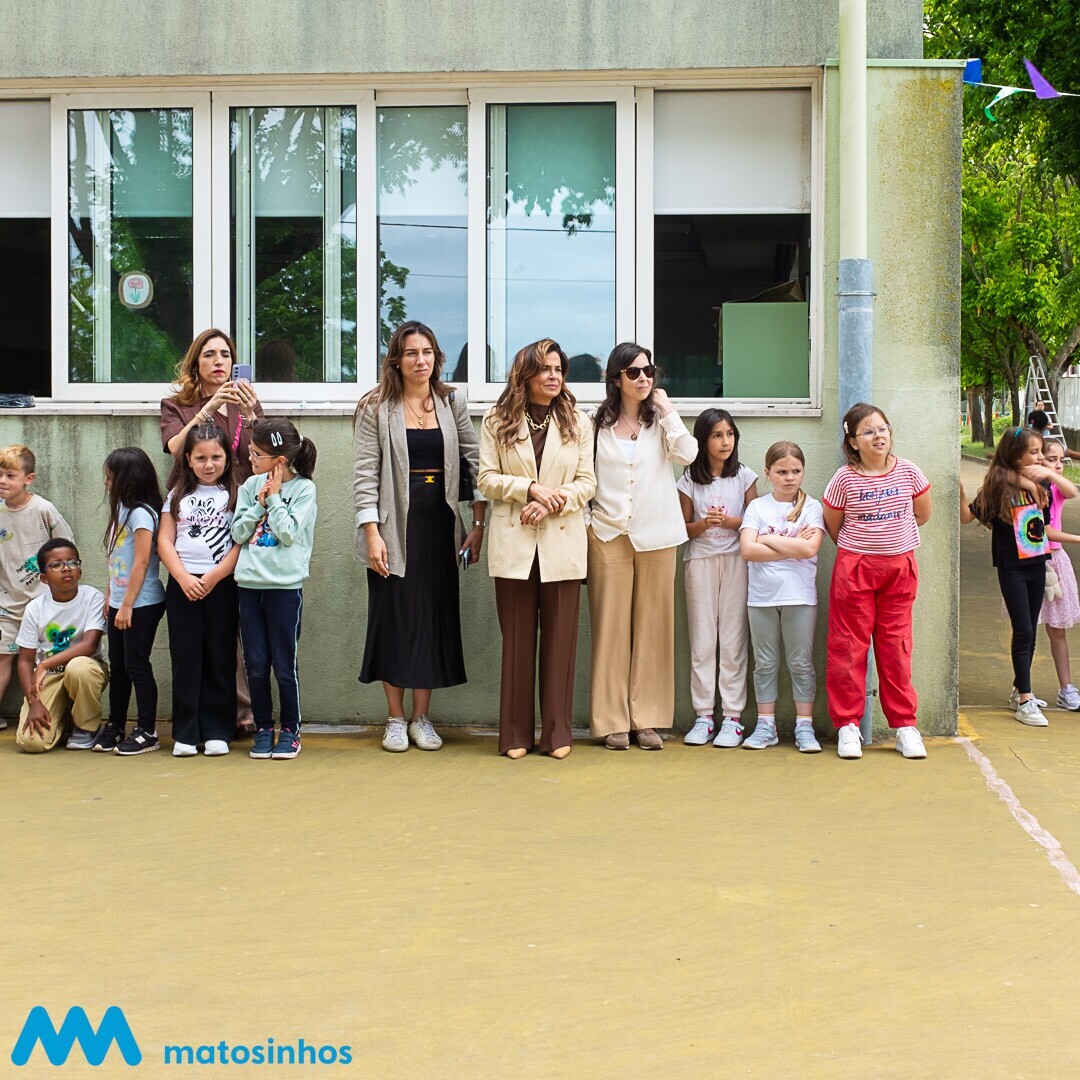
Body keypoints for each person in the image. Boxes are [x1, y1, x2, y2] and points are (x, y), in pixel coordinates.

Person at [354, 320, 485, 752]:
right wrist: (372, 533)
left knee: (431, 619)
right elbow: (365, 473)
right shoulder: (376, 406)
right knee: (393, 619)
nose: (420, 360)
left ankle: (420, 718)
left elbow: (474, 463)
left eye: (427, 352)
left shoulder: (451, 402)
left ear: (437, 357)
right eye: (411, 352)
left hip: (439, 528)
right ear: (397, 359)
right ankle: (394, 718)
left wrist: (477, 523)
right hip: (394, 528)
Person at [478, 339, 595, 759]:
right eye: (545, 368)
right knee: (517, 643)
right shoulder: (496, 420)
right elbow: (486, 478)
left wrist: (550, 501)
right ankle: (514, 735)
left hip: (562, 542)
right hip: (515, 543)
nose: (553, 376)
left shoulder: (578, 421)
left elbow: (587, 483)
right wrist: (528, 488)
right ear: (525, 374)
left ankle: (557, 734)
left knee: (561, 645)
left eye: (559, 369)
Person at [587, 342, 697, 750]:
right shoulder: (593, 424)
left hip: (658, 535)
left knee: (654, 628)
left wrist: (668, 410)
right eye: (633, 372)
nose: (643, 378)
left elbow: (689, 455)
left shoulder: (660, 422)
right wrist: (588, 522)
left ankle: (647, 719)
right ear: (615, 379)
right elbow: (583, 475)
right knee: (610, 630)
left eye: (648, 371)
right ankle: (612, 720)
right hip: (608, 534)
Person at [159, 327, 263, 737]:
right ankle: (201, 718)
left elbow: (266, 450)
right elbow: (174, 448)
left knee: (233, 621)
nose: (218, 361)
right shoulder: (177, 404)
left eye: (225, 355)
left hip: (240, 513)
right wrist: (210, 407)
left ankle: (241, 710)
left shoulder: (244, 402)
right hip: (193, 518)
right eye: (209, 354)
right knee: (193, 635)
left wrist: (251, 413)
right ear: (195, 363)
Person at [823, 402, 932, 760]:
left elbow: (922, 514)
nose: (878, 436)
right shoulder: (844, 479)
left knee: (896, 648)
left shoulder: (909, 472)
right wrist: (861, 549)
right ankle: (847, 725)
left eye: (882, 428)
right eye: (868, 431)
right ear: (853, 442)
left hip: (899, 569)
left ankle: (904, 726)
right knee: (848, 648)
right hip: (855, 569)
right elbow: (833, 524)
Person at [960, 427, 1075, 726]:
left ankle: (1019, 690)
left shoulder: (1038, 485)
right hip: (1012, 568)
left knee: (1030, 632)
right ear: (1015, 456)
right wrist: (959, 493)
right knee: (1023, 630)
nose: (1040, 457)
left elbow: (1068, 495)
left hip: (1037, 566)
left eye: (1040, 452)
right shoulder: (997, 487)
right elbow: (968, 516)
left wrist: (1045, 473)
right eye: (1033, 452)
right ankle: (1025, 698)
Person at [232, 418, 318, 761]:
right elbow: (238, 533)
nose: (250, 458)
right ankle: (264, 728)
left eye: (257, 454)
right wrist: (258, 503)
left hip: (284, 589)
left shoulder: (304, 490)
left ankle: (291, 729)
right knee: (255, 664)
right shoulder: (249, 486)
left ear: (279, 461)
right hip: (249, 587)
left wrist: (276, 498)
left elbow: (288, 534)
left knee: (284, 665)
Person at [158, 424, 241, 757]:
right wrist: (183, 578)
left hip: (221, 585)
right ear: (188, 460)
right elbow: (165, 541)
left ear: (227, 458)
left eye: (216, 457)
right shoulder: (176, 496)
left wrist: (216, 576)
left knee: (220, 655)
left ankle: (218, 730)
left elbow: (241, 542)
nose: (209, 465)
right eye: (201, 458)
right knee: (186, 656)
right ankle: (186, 732)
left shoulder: (236, 494)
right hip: (183, 586)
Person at [677, 408, 758, 748]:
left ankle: (733, 719)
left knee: (733, 639)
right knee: (702, 640)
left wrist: (729, 522)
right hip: (700, 563)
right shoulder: (688, 480)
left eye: (730, 434)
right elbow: (683, 528)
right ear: (702, 440)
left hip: (737, 561)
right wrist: (704, 524)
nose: (725, 442)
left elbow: (756, 521)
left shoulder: (744, 476)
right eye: (717, 435)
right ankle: (704, 716)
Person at [739, 441, 824, 752]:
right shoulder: (757, 507)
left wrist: (767, 538)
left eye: (796, 471)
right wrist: (790, 547)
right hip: (761, 598)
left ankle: (804, 726)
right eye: (782, 472)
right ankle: (766, 725)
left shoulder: (812, 507)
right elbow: (748, 551)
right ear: (767, 473)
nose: (790, 478)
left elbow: (810, 549)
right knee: (765, 663)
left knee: (800, 662)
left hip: (799, 597)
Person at [95, 447, 167, 755]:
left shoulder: (141, 513)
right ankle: (115, 724)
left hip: (142, 603)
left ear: (128, 478)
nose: (106, 482)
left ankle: (147, 731)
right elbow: (117, 560)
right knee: (120, 666)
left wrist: (126, 605)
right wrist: (111, 595)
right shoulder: (121, 509)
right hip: (121, 601)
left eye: (110, 477)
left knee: (137, 665)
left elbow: (141, 562)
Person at [0, 444, 74, 731]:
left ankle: (57, 716)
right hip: (6, 602)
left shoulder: (43, 509)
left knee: (47, 659)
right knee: (3, 658)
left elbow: (66, 546)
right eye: (0, 475)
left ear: (28, 479)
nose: (3, 481)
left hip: (43, 602)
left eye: (10, 475)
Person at [15, 538, 108, 753]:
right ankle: (64, 718)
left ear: (80, 571)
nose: (66, 568)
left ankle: (87, 728)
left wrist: (44, 664)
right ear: (44, 578)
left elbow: (89, 644)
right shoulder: (35, 608)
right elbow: (25, 661)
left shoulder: (92, 597)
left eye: (72, 562)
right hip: (48, 678)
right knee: (33, 742)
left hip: (86, 670)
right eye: (56, 565)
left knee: (79, 667)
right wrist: (33, 702)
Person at [1036, 439, 1080, 711]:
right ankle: (1021, 688)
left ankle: (1066, 688)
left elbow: (1072, 491)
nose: (1058, 465)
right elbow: (1044, 530)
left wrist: (1052, 473)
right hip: (1031, 562)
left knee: (1057, 630)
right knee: (1025, 629)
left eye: (1061, 461)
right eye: (1051, 459)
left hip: (1056, 561)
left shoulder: (1056, 489)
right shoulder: (1028, 491)